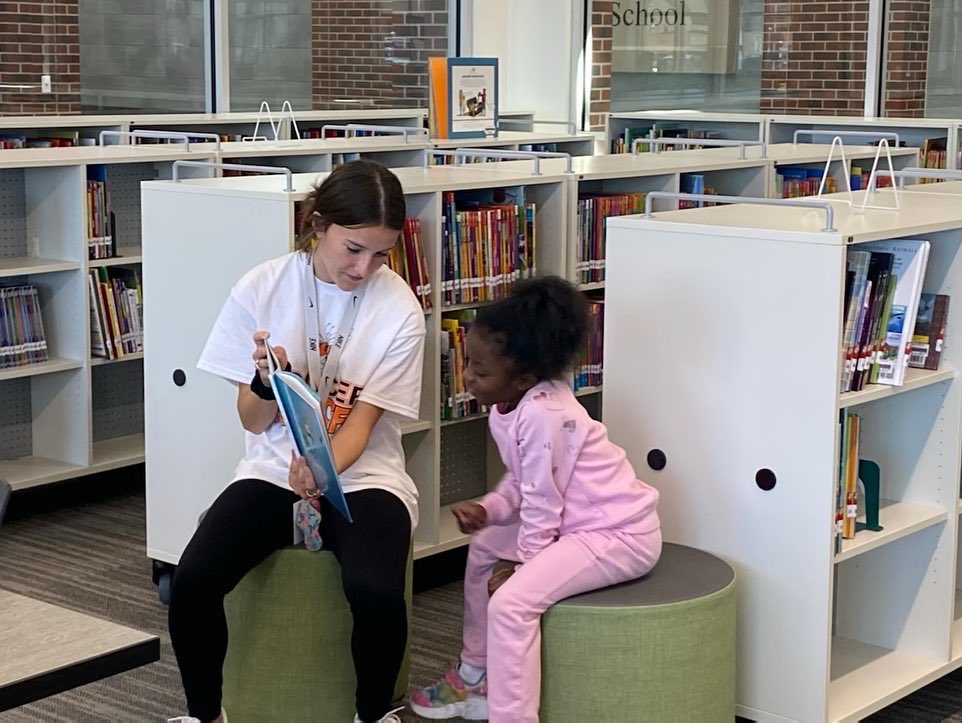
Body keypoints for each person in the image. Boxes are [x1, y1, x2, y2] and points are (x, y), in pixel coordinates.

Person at [167, 159, 426, 723]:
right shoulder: (260, 288)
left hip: (364, 475)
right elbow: (253, 422)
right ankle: (205, 714)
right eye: (353, 248)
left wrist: (321, 466)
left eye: (381, 254)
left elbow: (361, 425)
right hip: (269, 470)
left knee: (376, 590)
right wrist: (264, 382)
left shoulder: (400, 308)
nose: (365, 268)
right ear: (318, 224)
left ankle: (373, 713)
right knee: (193, 580)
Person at [410, 276, 662, 723]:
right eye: (469, 363)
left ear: (523, 377)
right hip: (575, 525)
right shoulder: (511, 405)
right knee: (486, 546)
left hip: (616, 534)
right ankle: (475, 672)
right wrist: (490, 508)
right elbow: (523, 482)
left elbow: (543, 503)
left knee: (512, 604)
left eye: (480, 370)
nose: (467, 376)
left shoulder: (545, 414)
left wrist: (524, 566)